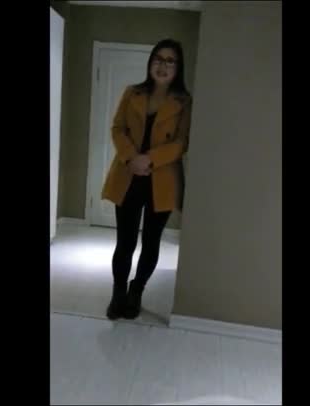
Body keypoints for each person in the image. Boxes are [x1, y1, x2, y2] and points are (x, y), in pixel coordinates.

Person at [101, 39, 193, 320]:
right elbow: (117, 128)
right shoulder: (133, 93)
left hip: (161, 180)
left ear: (178, 68)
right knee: (125, 242)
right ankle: (118, 293)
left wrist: (149, 159)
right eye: (158, 59)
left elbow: (182, 142)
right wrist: (132, 158)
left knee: (151, 242)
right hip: (128, 174)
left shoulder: (184, 101)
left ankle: (136, 291)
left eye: (170, 61)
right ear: (150, 62)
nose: (163, 66)